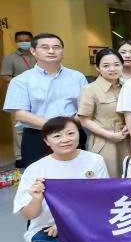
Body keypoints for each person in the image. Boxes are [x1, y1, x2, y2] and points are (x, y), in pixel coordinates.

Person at [13, 117, 108, 242]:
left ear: (79, 134)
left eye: (70, 133)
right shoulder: (35, 169)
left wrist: (66, 224)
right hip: (47, 228)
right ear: (46, 141)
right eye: (57, 136)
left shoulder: (95, 160)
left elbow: (101, 201)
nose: (65, 139)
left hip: (86, 223)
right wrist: (37, 198)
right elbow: (28, 214)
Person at [3, 33, 88, 167]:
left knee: (77, 173)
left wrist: (68, 128)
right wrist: (58, 128)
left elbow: (85, 108)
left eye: (56, 47)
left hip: (73, 135)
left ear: (62, 51)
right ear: (33, 51)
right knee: (40, 177)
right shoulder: (20, 80)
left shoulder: (78, 77)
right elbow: (20, 114)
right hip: (37, 137)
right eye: (45, 47)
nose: (51, 51)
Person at [77, 48, 129, 177]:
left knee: (128, 177)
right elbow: (84, 120)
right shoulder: (90, 89)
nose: (112, 69)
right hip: (104, 141)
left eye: (117, 64)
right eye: (106, 66)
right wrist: (110, 135)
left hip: (127, 140)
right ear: (98, 68)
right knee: (107, 178)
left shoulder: (128, 86)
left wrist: (130, 125)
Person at [1, 30, 36, 166]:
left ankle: (37, 152)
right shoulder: (10, 58)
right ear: (16, 42)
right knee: (19, 127)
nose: (24, 42)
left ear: (32, 40)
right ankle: (19, 156)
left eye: (27, 40)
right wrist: (21, 82)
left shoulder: (38, 55)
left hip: (37, 94)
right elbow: (5, 76)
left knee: (37, 123)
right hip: (19, 95)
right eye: (20, 40)